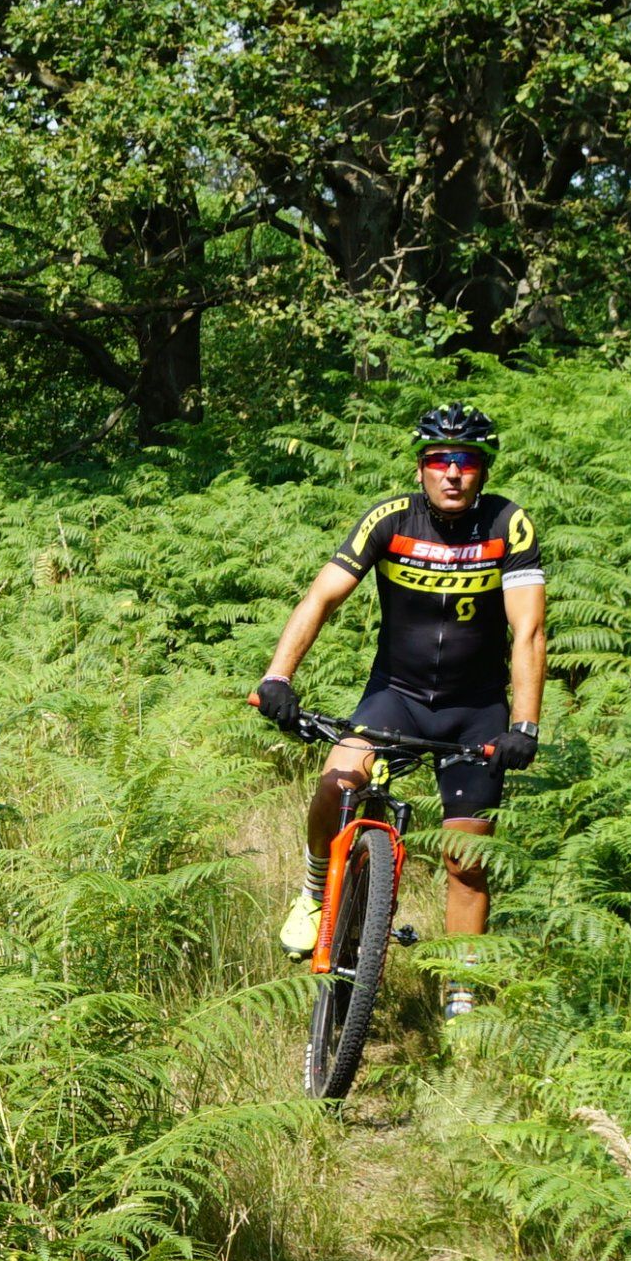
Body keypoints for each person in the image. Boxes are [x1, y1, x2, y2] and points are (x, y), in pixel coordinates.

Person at [247, 404, 547, 1017]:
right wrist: (278, 676)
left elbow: (529, 633)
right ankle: (312, 889)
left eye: (466, 462)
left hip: (475, 709)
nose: (453, 473)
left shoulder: (508, 525)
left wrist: (524, 724)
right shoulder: (390, 518)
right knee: (338, 781)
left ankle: (461, 996)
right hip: (398, 697)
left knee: (466, 861)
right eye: (441, 461)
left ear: (483, 470)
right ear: (422, 467)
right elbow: (322, 597)